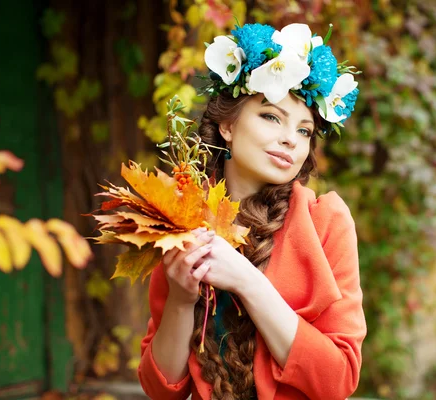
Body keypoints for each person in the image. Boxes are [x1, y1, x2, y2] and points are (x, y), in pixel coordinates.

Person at [138, 22, 366, 400]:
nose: (289, 138)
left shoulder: (327, 221)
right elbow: (160, 390)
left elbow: (337, 380)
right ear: (228, 124)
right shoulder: (182, 220)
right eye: (271, 117)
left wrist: (248, 280)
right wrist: (180, 299)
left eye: (305, 130)